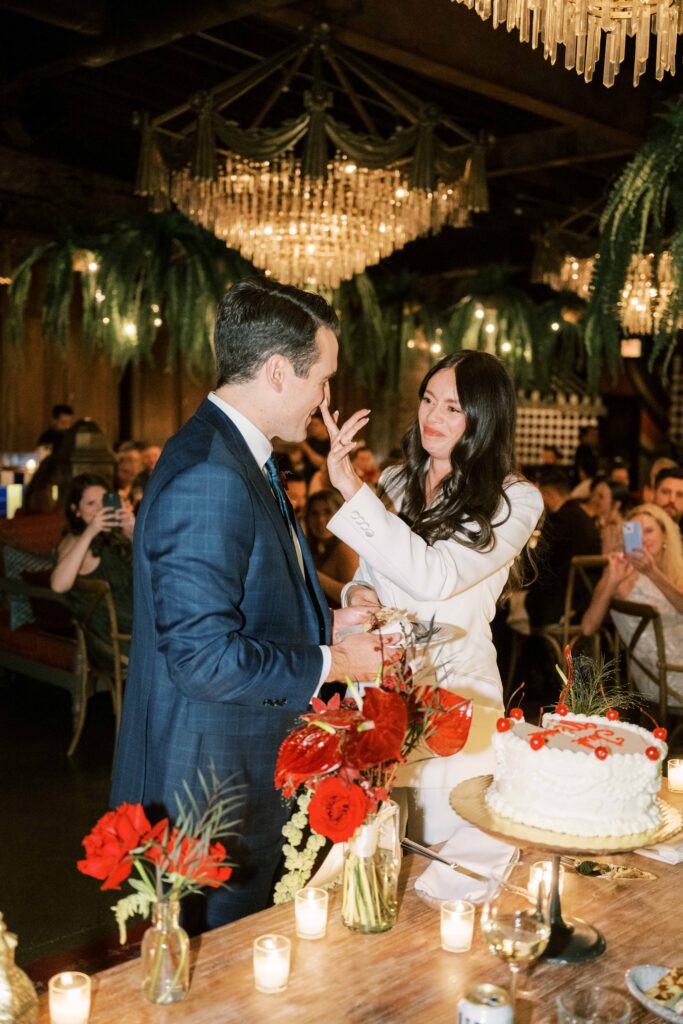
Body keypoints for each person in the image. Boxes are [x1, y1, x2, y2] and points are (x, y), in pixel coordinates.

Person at [110, 277, 390, 930]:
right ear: (274, 371)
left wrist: (324, 622)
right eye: (322, 378)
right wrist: (338, 661)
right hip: (210, 790)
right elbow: (203, 658)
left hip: (234, 766)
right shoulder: (211, 472)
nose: (326, 398)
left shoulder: (238, 456)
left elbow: (233, 607)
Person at [320, 350, 544, 844]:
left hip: (458, 691)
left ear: (485, 418)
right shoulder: (398, 480)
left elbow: (435, 578)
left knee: (450, 846)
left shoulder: (514, 499)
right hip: (384, 686)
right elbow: (371, 571)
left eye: (452, 407)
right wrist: (360, 592)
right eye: (428, 400)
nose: (432, 416)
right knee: (383, 842)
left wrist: (348, 487)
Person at [581, 503, 683, 707]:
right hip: (664, 675)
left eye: (649, 530)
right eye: (635, 531)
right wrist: (612, 579)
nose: (643, 538)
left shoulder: (675, 570)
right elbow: (587, 627)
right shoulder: (623, 574)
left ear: (665, 536)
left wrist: (655, 573)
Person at [50, 473, 135, 665]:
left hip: (140, 627)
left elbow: (153, 570)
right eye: (90, 504)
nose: (99, 509)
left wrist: (133, 531)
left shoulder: (113, 535)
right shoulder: (74, 541)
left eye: (103, 501)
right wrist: (90, 532)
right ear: (75, 510)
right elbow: (58, 585)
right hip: (114, 640)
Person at [525, 466, 601, 629]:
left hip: (559, 603)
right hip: (583, 600)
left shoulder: (559, 520)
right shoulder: (582, 517)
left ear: (549, 495)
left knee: (503, 608)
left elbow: (535, 564)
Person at [305, 490, 359, 606]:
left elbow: (354, 599)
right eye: (314, 513)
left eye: (327, 512)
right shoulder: (315, 548)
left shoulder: (346, 549)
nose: (320, 519)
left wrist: (313, 574)